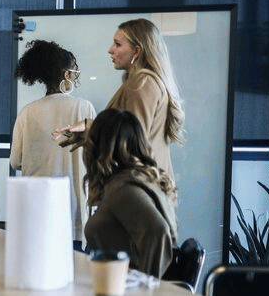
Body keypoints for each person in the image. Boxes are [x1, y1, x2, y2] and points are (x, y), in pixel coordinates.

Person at [54, 18, 184, 181]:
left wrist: (91, 130)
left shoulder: (142, 84)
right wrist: (89, 130)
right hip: (143, 188)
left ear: (136, 51)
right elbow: (127, 133)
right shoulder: (144, 82)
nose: (110, 50)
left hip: (139, 189)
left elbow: (132, 142)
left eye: (118, 44)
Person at [11, 39, 96, 242]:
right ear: (66, 75)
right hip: (73, 213)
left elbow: (15, 162)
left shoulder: (27, 112)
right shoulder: (84, 109)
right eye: (74, 73)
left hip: (36, 211)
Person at [82, 108, 178, 277]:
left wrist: (145, 287)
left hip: (123, 292)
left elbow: (158, 232)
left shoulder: (123, 189)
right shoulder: (135, 180)